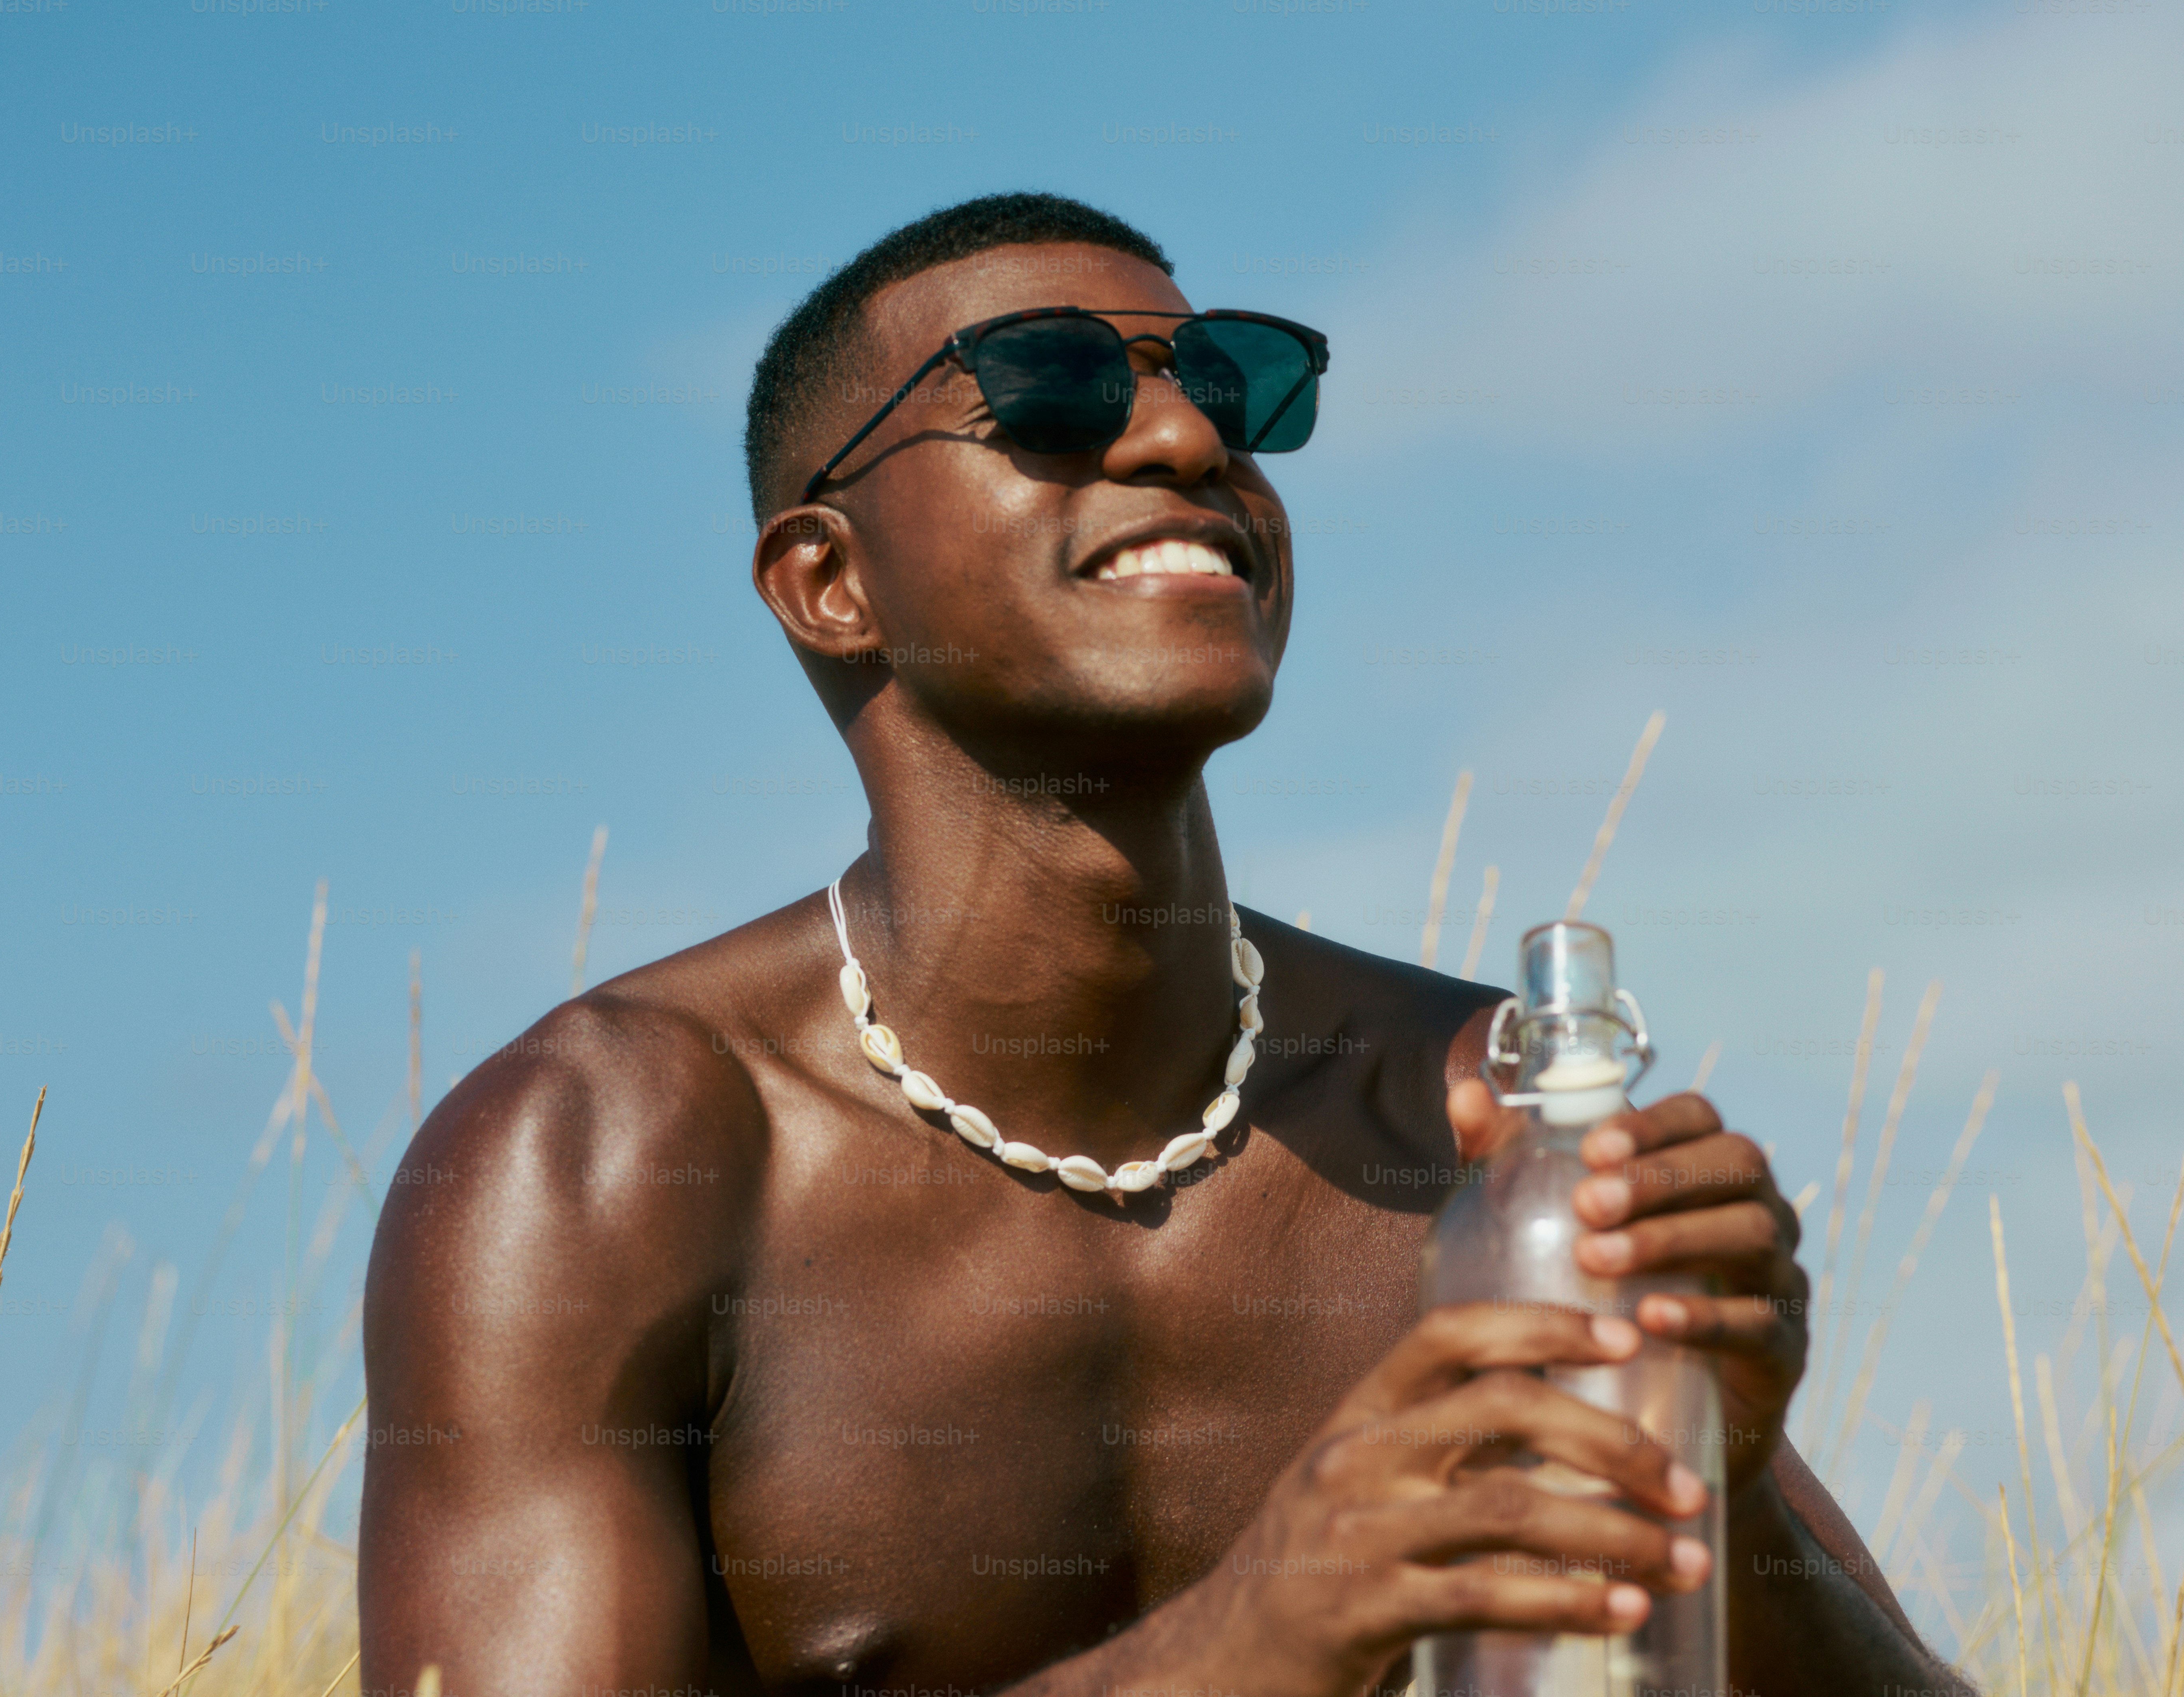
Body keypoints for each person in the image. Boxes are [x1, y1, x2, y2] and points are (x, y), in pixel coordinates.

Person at [359, 192, 1971, 1697]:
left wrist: (1724, 1497)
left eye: (1231, 383)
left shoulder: (1470, 1121)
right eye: (1049, 389)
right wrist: (1258, 1635)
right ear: (830, 582)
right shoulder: (602, 1162)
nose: (1190, 436)